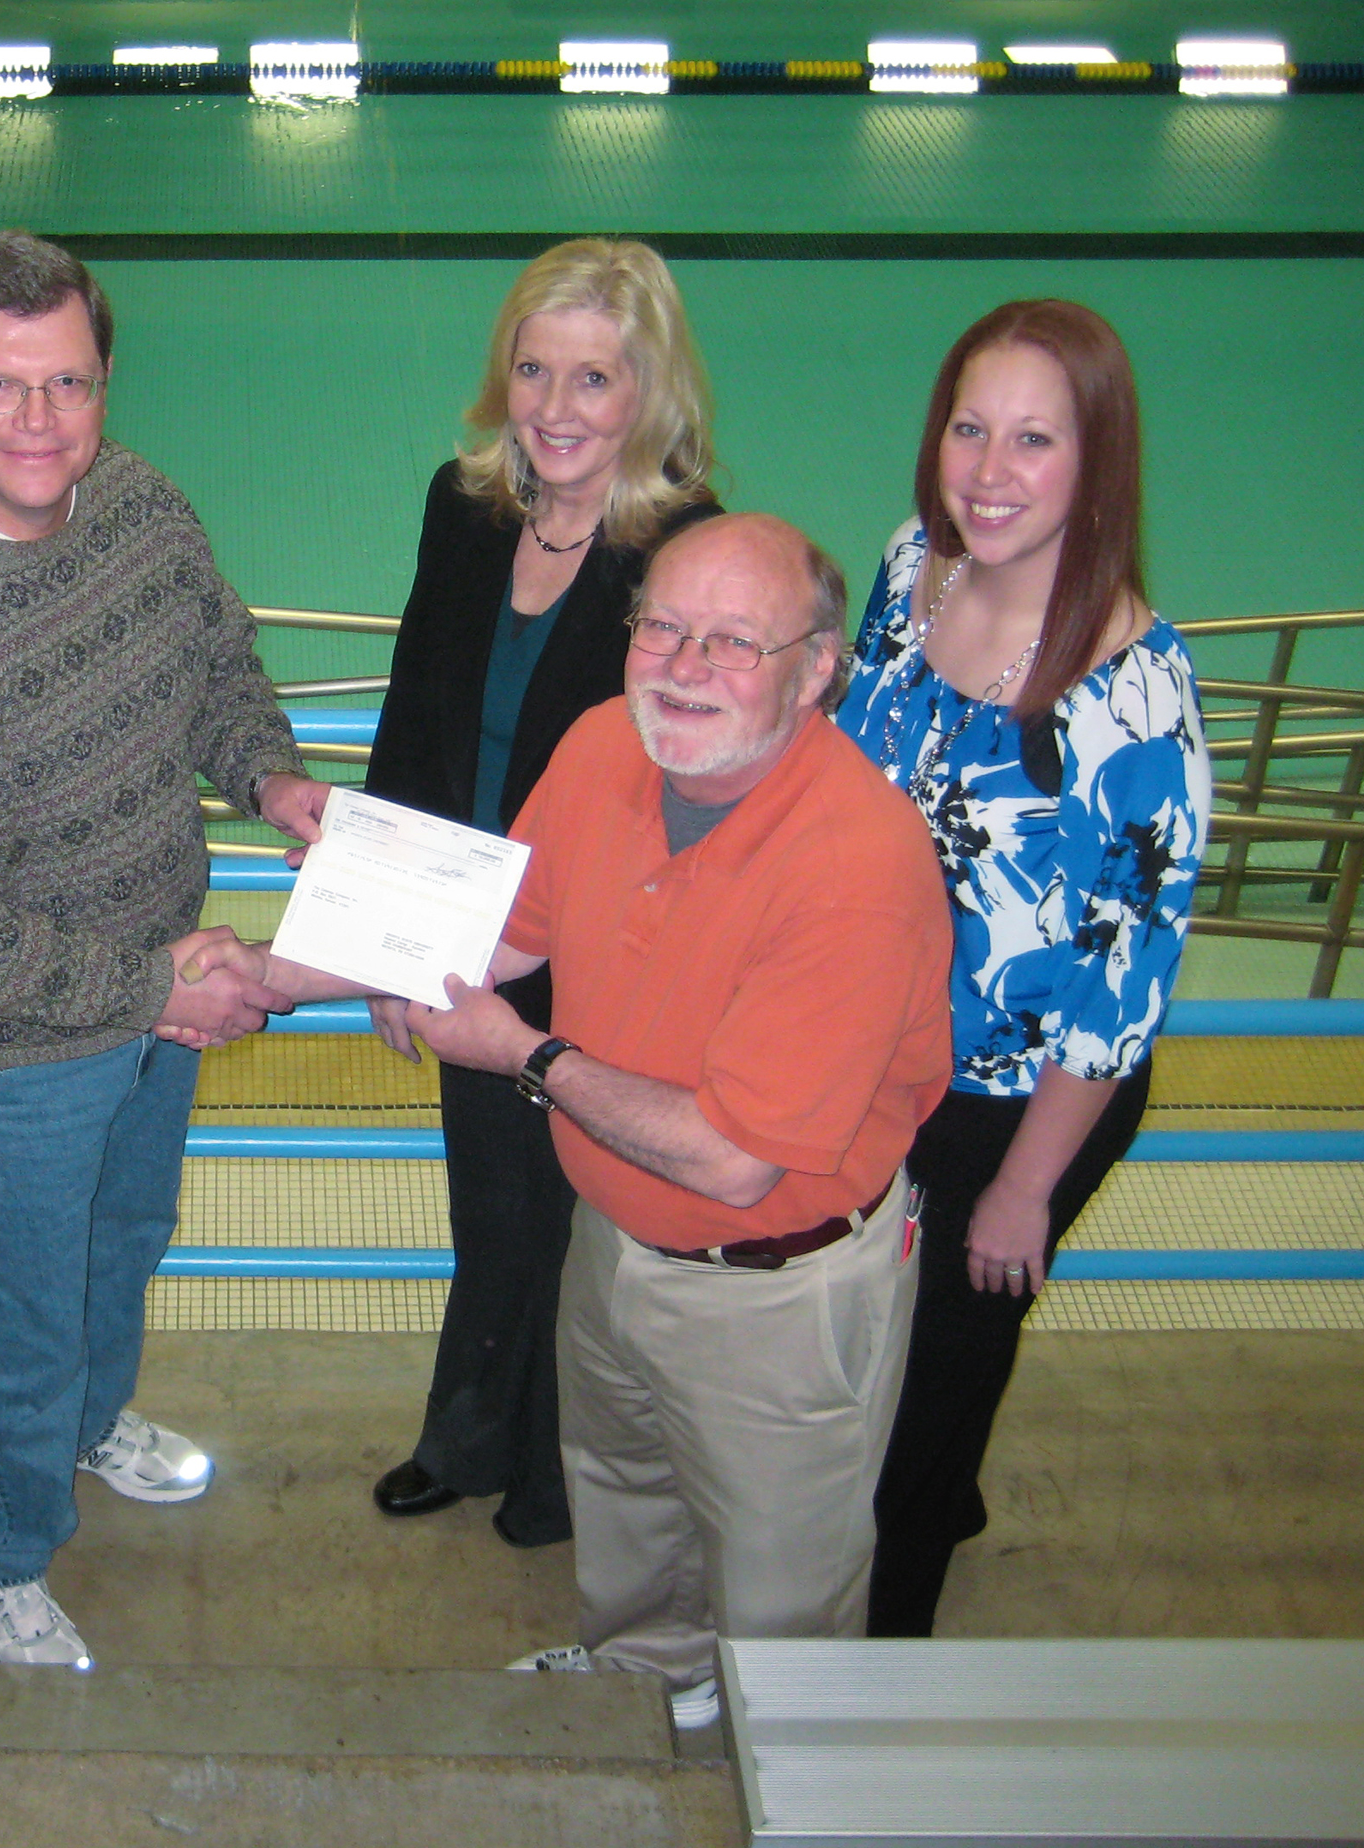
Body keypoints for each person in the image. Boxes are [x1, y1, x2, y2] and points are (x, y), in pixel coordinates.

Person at [227, 513, 952, 1729]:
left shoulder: (857, 863)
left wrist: (522, 1054)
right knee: (624, 1499)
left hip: (773, 1290)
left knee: (780, 1586)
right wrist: (267, 975)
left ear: (818, 668)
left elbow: (732, 1160)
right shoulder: (609, 743)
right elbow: (493, 937)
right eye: (662, 625)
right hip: (610, 1238)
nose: (681, 665)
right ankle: (642, 1677)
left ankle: (781, 1752)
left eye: (733, 641)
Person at [0, 231, 328, 1668]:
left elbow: (216, 663)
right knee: (16, 1319)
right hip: (11, 1053)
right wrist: (154, 986)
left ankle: (90, 1426)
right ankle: (0, 1552)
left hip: (162, 982)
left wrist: (272, 778)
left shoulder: (135, 502)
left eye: (69, 385)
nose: (40, 426)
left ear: (102, 384)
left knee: (126, 1241)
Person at [837, 300, 1209, 1635]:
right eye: (970, 428)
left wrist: (1022, 1192)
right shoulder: (912, 569)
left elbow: (1117, 1004)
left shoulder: (1135, 704)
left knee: (936, 1392)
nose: (988, 472)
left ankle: (889, 1647)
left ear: (1095, 463)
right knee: (873, 1348)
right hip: (881, 1053)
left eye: (1035, 442)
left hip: (1012, 1100)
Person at [362, 238, 719, 1549]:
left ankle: (566, 1475)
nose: (557, 411)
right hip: (462, 936)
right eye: (533, 370)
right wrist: (394, 946)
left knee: (584, 1228)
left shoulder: (688, 550)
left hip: (609, 965)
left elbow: (690, 796)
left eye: (594, 380)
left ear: (650, 394)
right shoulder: (466, 510)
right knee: (490, 1206)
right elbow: (414, 729)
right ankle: (466, 1437)